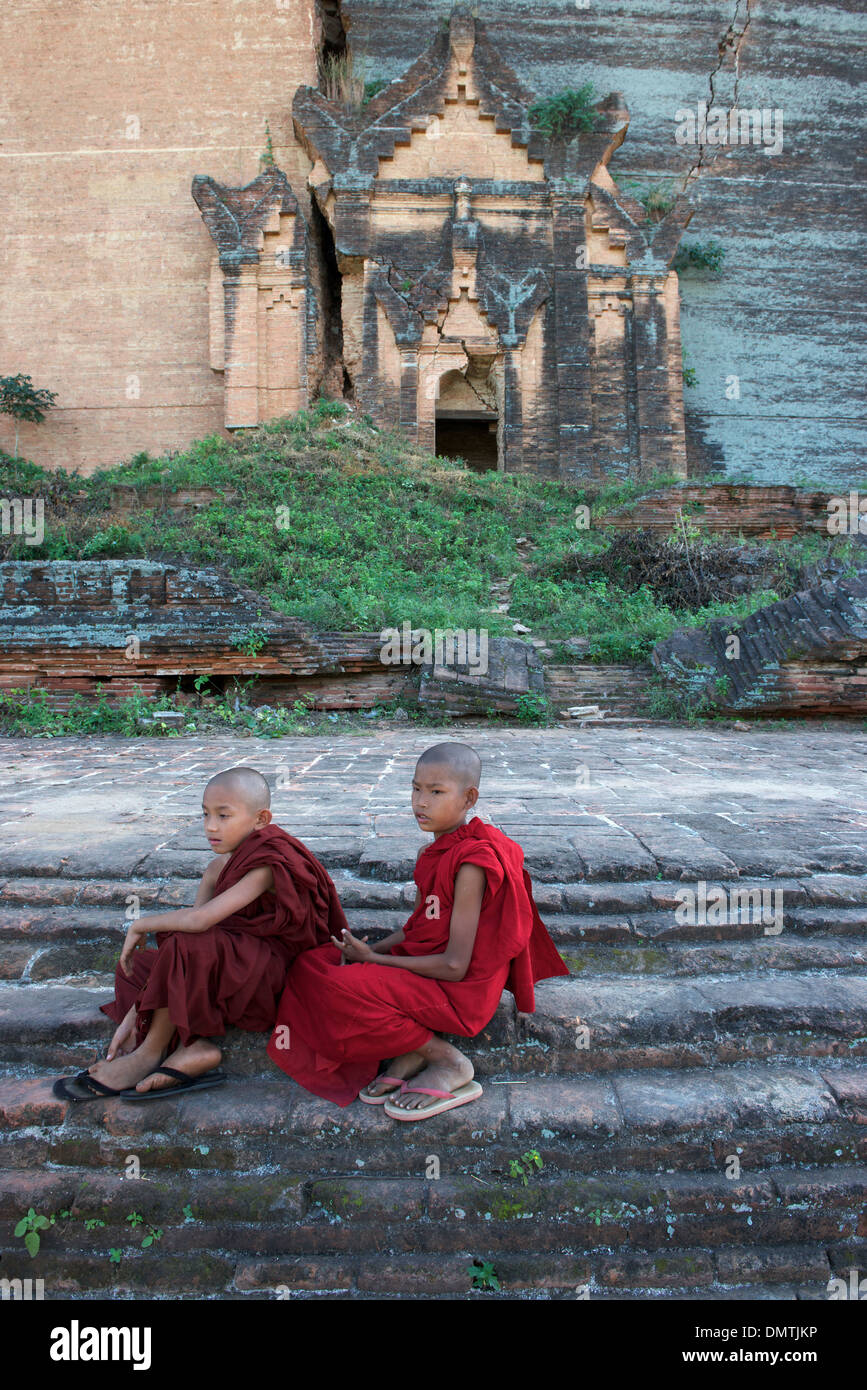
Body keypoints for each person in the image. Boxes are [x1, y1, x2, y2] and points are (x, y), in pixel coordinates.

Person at [266, 742, 569, 1118]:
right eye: (416, 789)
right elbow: (417, 930)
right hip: (430, 971)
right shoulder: (437, 852)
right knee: (312, 964)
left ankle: (447, 1060)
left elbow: (456, 965)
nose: (420, 802)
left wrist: (375, 959)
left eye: (436, 792)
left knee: (336, 987)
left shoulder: (473, 862)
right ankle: (411, 1049)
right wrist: (366, 950)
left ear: (469, 797)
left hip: (459, 992)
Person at [53, 766, 348, 1102]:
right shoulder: (215, 870)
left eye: (224, 816)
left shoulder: (268, 864)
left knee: (186, 940)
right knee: (135, 969)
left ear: (261, 819)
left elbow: (199, 923)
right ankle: (196, 1047)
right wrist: (136, 1010)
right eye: (205, 814)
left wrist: (140, 924)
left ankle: (149, 1053)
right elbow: (182, 951)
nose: (210, 826)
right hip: (228, 972)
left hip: (267, 981)